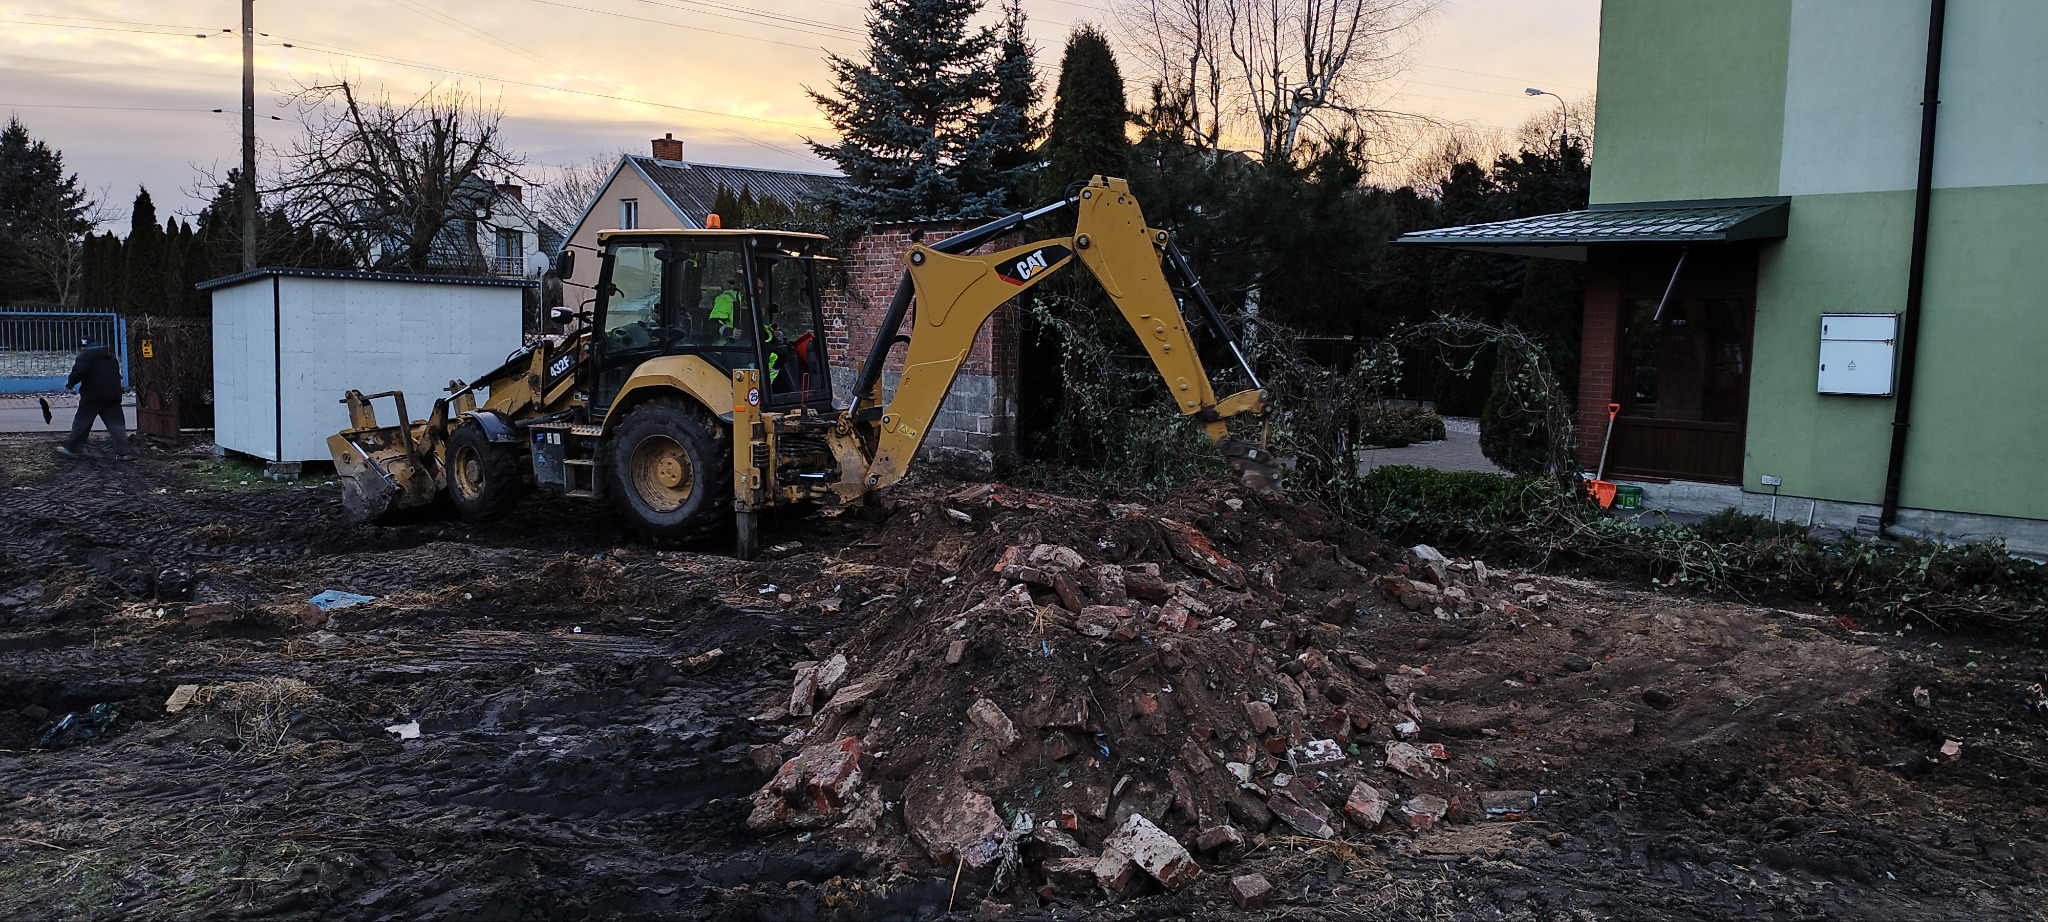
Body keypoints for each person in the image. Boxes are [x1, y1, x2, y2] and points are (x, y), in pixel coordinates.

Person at [59, 338, 134, 459]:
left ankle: (72, 448)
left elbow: (78, 372)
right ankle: (125, 452)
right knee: (116, 425)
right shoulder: (111, 357)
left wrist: (70, 383)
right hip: (112, 395)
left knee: (82, 422)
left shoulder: (85, 357)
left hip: (92, 396)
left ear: (84, 347)